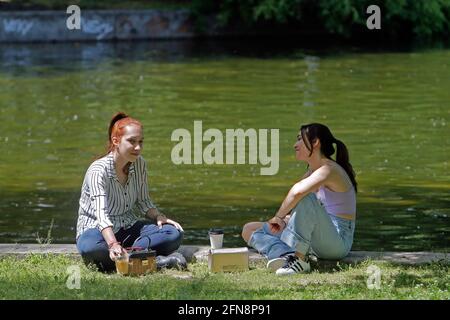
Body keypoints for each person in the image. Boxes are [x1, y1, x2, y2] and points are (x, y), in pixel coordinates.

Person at [76, 112, 186, 272]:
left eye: (141, 142)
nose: (138, 148)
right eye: (132, 141)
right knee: (92, 250)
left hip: (127, 228)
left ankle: (125, 258)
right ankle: (154, 260)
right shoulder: (97, 170)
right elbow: (101, 215)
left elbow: (143, 202)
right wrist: (113, 243)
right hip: (96, 231)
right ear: (116, 141)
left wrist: (159, 217)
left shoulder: (140, 164)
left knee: (173, 233)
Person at [242, 123, 357, 276]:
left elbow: (298, 193)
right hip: (317, 236)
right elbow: (301, 205)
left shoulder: (330, 170)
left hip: (337, 242)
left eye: (299, 139)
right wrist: (288, 219)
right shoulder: (313, 171)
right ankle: (285, 255)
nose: (295, 145)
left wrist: (279, 217)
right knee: (249, 229)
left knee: (305, 196)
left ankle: (300, 260)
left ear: (315, 142)